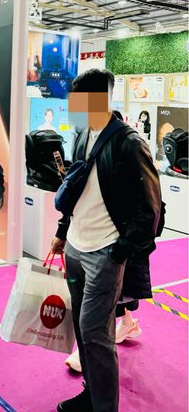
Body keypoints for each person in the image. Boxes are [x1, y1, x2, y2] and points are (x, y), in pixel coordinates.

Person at [51, 69, 161, 412]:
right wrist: (62, 232)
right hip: (75, 247)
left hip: (104, 252)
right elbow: (75, 187)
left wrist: (120, 250)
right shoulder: (82, 134)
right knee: (81, 328)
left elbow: (150, 209)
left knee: (95, 331)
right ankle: (91, 394)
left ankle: (103, 407)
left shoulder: (129, 143)